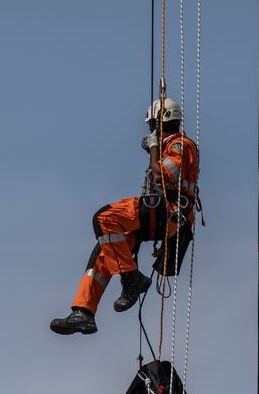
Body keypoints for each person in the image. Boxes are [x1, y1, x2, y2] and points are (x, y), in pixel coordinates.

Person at [50, 97, 199, 335]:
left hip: (167, 212)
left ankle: (131, 279)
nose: (151, 131)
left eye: (153, 125)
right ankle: (83, 312)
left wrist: (153, 148)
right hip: (158, 214)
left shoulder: (182, 145)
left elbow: (162, 175)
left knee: (104, 218)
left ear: (160, 122)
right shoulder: (168, 146)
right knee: (103, 251)